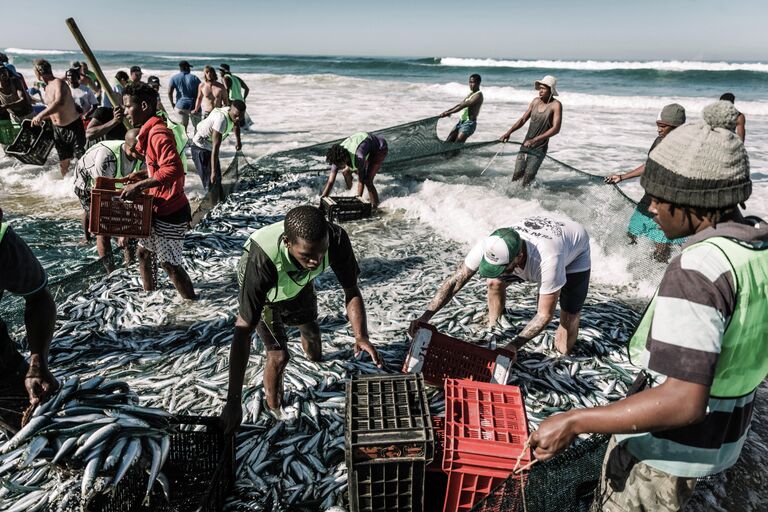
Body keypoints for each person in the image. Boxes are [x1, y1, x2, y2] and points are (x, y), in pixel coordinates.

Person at [529, 101, 766, 512]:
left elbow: (682, 401)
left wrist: (574, 420)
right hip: (723, 436)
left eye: (659, 196)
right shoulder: (758, 247)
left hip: (667, 447)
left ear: (692, 200)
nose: (651, 207)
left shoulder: (699, 268)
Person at [219, 205, 382, 431]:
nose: (316, 261)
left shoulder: (335, 240)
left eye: (321, 253)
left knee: (312, 331)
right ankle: (275, 410)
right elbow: (243, 330)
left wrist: (361, 336)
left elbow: (351, 291)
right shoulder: (261, 262)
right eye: (307, 255)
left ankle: (315, 364)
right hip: (267, 290)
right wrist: (233, 401)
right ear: (287, 242)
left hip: (298, 282)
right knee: (279, 355)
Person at [410, 216, 591, 357]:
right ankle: (494, 324)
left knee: (569, 313)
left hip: (573, 249)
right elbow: (454, 281)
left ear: (519, 256)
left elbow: (544, 315)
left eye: (502, 266)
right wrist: (426, 316)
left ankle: (562, 356)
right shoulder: (490, 245)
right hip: (543, 233)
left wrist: (513, 346)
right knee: (494, 281)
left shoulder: (548, 260)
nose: (498, 271)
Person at [119, 83, 196, 300]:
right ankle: (150, 297)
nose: (125, 111)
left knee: (169, 264)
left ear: (143, 106)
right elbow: (160, 167)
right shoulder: (151, 131)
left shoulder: (158, 134)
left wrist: (139, 187)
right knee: (143, 253)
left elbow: (174, 169)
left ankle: (192, 305)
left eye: (127, 106)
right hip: (159, 206)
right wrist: (142, 175)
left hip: (171, 211)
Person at [604, 103, 686, 263]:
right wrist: (622, 177)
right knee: (632, 234)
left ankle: (656, 281)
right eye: (658, 125)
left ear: (676, 127)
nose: (658, 129)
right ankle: (626, 272)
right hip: (650, 198)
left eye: (663, 126)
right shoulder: (659, 141)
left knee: (662, 248)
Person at [0, 207, 58, 432]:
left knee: (38, 431)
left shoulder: (4, 243)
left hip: (2, 363)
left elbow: (38, 299)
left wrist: (38, 363)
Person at [73, 129, 142, 262]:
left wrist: (126, 229)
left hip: (111, 179)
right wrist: (122, 232)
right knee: (103, 228)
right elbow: (104, 199)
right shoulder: (106, 159)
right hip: (87, 182)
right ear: (133, 149)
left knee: (125, 226)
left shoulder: (141, 155)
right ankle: (110, 271)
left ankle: (129, 264)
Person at [500, 75, 563, 186]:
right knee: (516, 178)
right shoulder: (535, 101)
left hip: (539, 149)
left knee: (527, 181)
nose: (540, 91)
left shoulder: (556, 105)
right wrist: (508, 133)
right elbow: (523, 119)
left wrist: (535, 140)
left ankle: (527, 202)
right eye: (540, 88)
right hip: (525, 145)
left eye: (544, 88)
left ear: (551, 90)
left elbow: (556, 129)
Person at [31, 59, 84, 176]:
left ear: (39, 73)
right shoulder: (47, 87)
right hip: (58, 129)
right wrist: (42, 118)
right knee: (63, 162)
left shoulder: (58, 83)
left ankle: (87, 183)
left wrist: (40, 115)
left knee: (81, 158)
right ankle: (65, 186)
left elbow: (59, 103)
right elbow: (52, 110)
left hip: (73, 126)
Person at [190, 101, 245, 200]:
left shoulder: (232, 113)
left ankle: (219, 200)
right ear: (230, 111)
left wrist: (238, 141)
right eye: (236, 115)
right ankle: (213, 204)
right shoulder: (221, 120)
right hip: (200, 148)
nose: (237, 118)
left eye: (240, 116)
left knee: (217, 180)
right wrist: (213, 172)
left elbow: (236, 124)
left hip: (210, 147)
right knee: (210, 183)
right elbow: (216, 148)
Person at [322, 132, 388, 208]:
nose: (338, 167)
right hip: (364, 144)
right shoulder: (336, 157)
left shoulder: (358, 158)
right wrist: (323, 199)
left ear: (344, 160)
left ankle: (376, 207)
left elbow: (361, 181)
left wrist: (357, 202)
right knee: (346, 172)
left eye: (339, 165)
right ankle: (351, 192)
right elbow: (330, 182)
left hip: (379, 147)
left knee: (367, 180)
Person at [440, 74, 483, 143]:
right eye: (470, 82)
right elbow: (460, 104)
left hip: (469, 124)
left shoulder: (478, 95)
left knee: (456, 145)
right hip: (461, 122)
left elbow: (463, 106)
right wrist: (447, 111)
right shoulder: (471, 94)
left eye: (473, 82)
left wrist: (448, 113)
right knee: (448, 142)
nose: (471, 84)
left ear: (478, 83)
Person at [168, 60, 201, 133]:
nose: (190, 69)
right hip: (194, 106)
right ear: (186, 68)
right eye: (189, 67)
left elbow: (169, 92)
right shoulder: (194, 78)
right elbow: (201, 92)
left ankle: (184, 144)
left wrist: (172, 103)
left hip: (181, 105)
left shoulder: (174, 78)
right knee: (198, 128)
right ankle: (197, 143)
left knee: (182, 129)